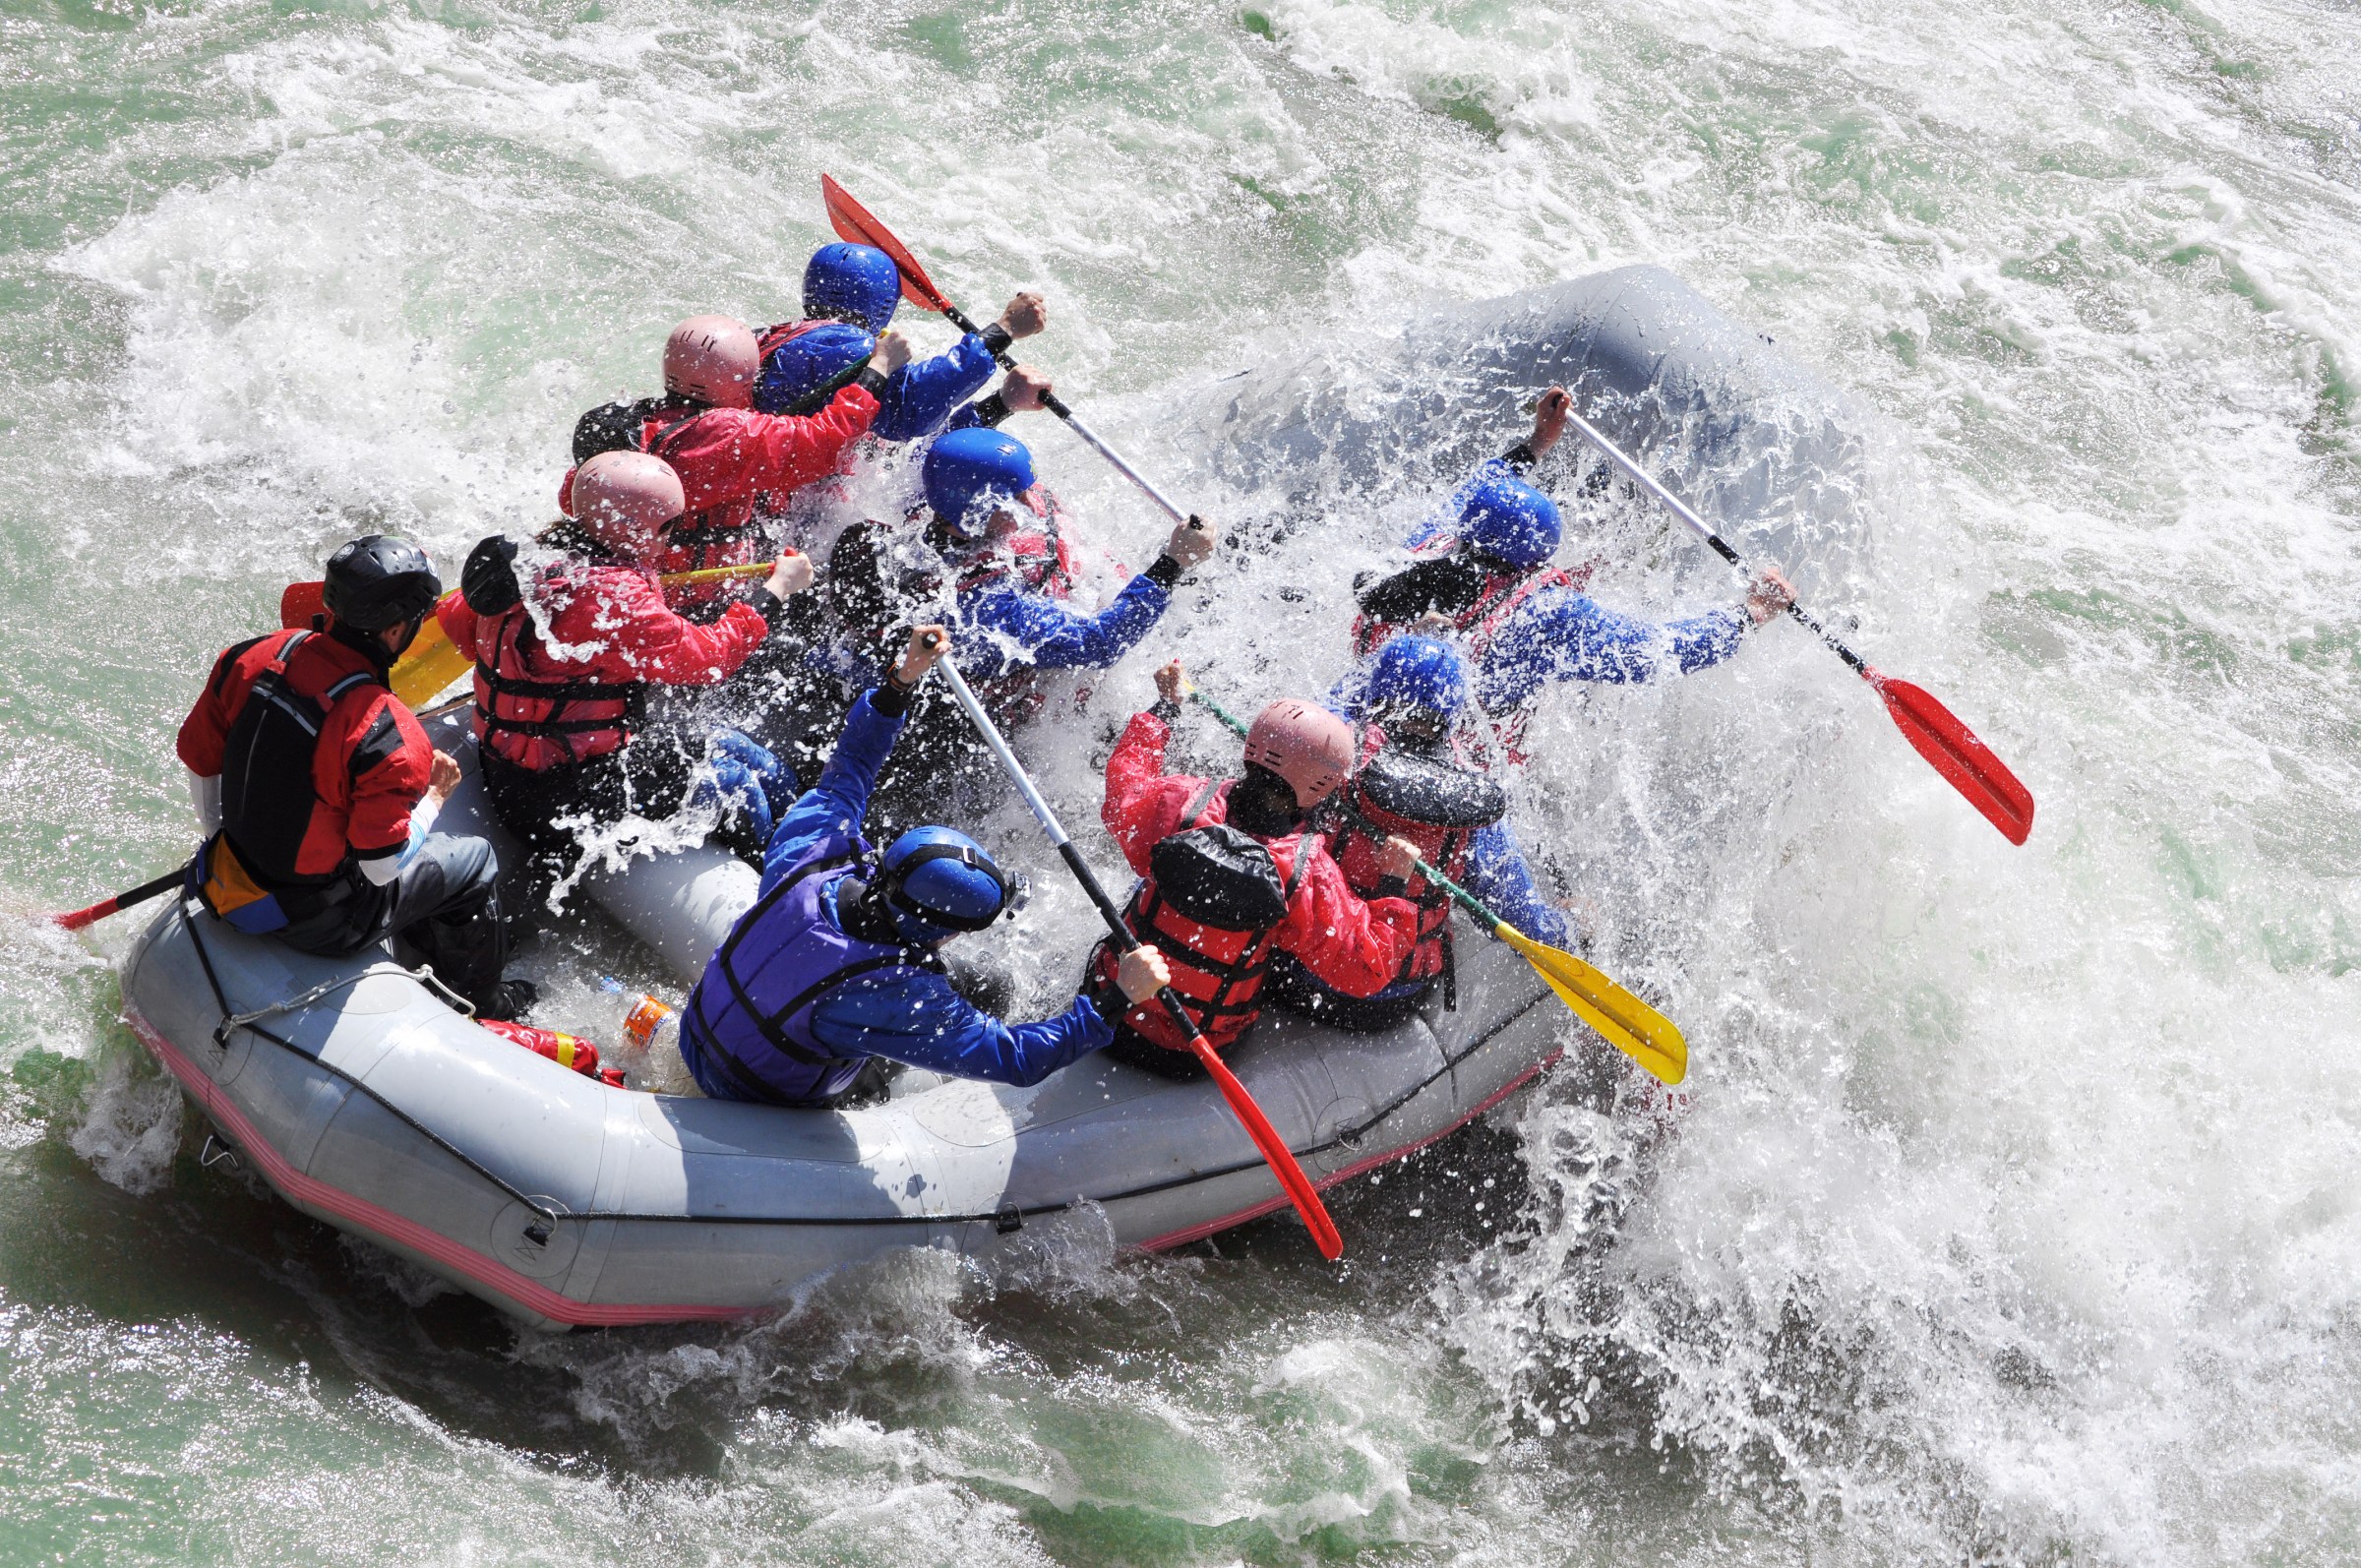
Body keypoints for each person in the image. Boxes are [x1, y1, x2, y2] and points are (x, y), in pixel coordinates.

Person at [675, 626, 1176, 1108]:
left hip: (697, 1031)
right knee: (955, 1018)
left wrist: (901, 681)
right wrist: (1118, 997)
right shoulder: (893, 992)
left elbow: (850, 767)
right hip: (749, 1092)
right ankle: (865, 1099)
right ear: (938, 928)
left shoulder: (813, 851)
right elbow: (1018, 1059)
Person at [435, 452, 817, 899]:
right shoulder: (611, 596)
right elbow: (712, 658)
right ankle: (791, 889)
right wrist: (776, 590)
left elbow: (462, 629)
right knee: (737, 784)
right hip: (559, 799)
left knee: (743, 750)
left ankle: (813, 841)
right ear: (635, 529)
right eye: (666, 528)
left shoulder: (529, 565)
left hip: (532, 772)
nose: (669, 541)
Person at [175, 536, 527, 1018]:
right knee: (473, 859)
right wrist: (436, 798)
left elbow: (201, 762)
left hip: (229, 873)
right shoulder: (389, 734)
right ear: (395, 630)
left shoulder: (253, 654)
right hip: (321, 922)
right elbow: (380, 867)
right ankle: (486, 1002)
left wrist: (221, 841)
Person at [1351, 387, 1796, 758]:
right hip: (1451, 765)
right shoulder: (1543, 614)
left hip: (1362, 730)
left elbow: (1481, 482)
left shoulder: (1430, 545)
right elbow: (1655, 653)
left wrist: (1538, 442)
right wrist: (1751, 612)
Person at [821, 426, 1216, 816]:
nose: (1033, 500)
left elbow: (942, 442)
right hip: (996, 722)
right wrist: (1173, 564)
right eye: (1017, 495)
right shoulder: (985, 608)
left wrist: (1004, 403)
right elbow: (1100, 644)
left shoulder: (930, 503)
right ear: (979, 510)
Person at [1089, 675, 1423, 1078]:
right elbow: (1365, 972)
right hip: (1196, 1051)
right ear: (1323, 787)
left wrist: (1164, 709)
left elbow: (1124, 790)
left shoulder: (1180, 803)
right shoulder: (1306, 871)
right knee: (1281, 944)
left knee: (1149, 881)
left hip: (1107, 1013)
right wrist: (1394, 882)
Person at [1271, 636, 1573, 1031]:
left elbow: (1325, 704)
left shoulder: (1335, 748)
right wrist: (1567, 928)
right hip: (1388, 999)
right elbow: (1522, 924)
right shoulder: (1472, 802)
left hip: (1294, 971)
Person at [565, 315, 910, 615]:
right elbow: (828, 442)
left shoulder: (634, 424)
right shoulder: (728, 432)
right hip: (698, 599)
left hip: (628, 584)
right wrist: (878, 368)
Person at [757, 244, 1051, 444]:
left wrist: (1002, 403)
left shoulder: (777, 335)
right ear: (883, 303)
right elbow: (915, 408)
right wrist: (1005, 328)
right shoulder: (849, 348)